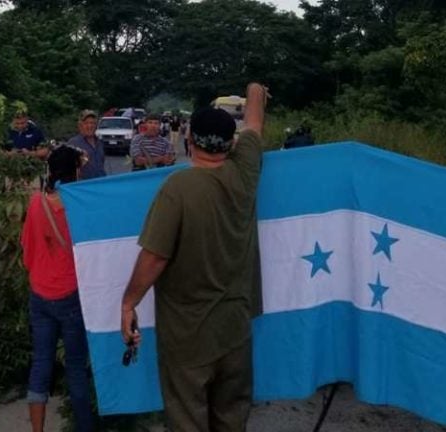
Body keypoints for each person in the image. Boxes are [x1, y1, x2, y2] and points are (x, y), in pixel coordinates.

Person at [120, 83, 269, 432]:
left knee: (188, 419)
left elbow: (154, 258)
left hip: (188, 337)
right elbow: (256, 122)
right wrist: (255, 90)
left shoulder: (177, 188)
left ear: (189, 141)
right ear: (231, 144)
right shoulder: (245, 174)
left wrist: (129, 304)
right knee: (232, 418)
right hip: (235, 330)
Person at [21, 145, 94, 432]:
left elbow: (27, 249)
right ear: (76, 170)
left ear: (49, 171)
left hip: (39, 293)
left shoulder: (36, 203)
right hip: (71, 295)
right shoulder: (79, 207)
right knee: (75, 368)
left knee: (41, 363)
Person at [67, 110, 105, 179]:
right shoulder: (73, 143)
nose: (90, 126)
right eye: (86, 123)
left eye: (92, 123)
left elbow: (102, 163)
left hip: (100, 184)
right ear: (80, 125)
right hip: (83, 186)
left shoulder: (100, 142)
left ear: (96, 125)